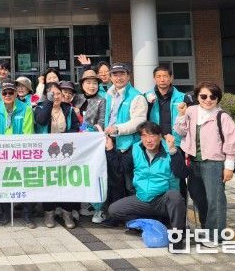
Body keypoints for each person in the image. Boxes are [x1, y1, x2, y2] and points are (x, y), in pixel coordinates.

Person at [174, 82, 235, 246]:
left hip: (214, 163)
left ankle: (216, 235)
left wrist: (229, 167)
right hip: (193, 162)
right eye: (203, 96)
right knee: (198, 196)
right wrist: (181, 115)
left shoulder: (223, 117)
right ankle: (207, 228)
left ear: (218, 98)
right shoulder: (191, 111)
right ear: (197, 97)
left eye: (213, 96)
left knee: (215, 200)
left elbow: (232, 143)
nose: (208, 100)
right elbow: (180, 131)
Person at [105, 121, 189, 249]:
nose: (148, 140)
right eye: (144, 136)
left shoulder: (170, 149)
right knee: (113, 210)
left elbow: (182, 173)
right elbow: (121, 168)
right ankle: (148, 222)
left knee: (175, 197)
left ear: (160, 137)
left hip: (163, 200)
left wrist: (173, 151)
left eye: (152, 136)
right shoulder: (135, 148)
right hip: (142, 199)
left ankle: (176, 238)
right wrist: (110, 149)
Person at [0, 79, 34, 227]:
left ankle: (27, 215)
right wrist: (4, 149)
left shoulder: (26, 109)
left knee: (27, 183)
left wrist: (17, 150)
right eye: (4, 92)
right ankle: (5, 213)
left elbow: (28, 133)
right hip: (2, 154)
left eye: (11, 92)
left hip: (22, 153)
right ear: (0, 94)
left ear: (16, 93)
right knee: (3, 183)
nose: (8, 95)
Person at [33, 81, 80, 229]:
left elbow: (75, 128)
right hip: (47, 154)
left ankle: (67, 213)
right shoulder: (40, 107)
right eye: (52, 94)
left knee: (67, 182)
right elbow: (41, 121)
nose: (56, 96)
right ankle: (49, 212)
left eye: (58, 93)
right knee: (49, 183)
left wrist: (64, 138)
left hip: (66, 153)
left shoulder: (68, 109)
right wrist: (49, 102)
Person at [102, 63, 148, 209]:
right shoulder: (108, 95)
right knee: (114, 182)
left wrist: (117, 129)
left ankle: (134, 215)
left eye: (122, 74)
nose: (118, 77)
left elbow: (139, 121)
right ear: (110, 77)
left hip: (129, 146)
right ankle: (117, 214)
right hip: (110, 143)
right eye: (115, 74)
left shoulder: (137, 97)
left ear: (128, 76)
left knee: (130, 184)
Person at [73, 69, 108, 222]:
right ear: (82, 85)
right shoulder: (77, 98)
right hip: (77, 143)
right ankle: (83, 204)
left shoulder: (102, 100)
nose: (92, 86)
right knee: (80, 173)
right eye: (88, 83)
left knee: (94, 173)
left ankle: (99, 208)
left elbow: (101, 122)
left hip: (93, 143)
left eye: (94, 83)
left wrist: (88, 128)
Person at [144, 66, 188, 147]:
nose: (162, 80)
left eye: (165, 76)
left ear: (171, 78)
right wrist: (149, 104)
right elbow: (142, 119)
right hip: (154, 143)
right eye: (158, 76)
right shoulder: (145, 97)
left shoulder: (183, 97)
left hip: (177, 143)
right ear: (154, 79)